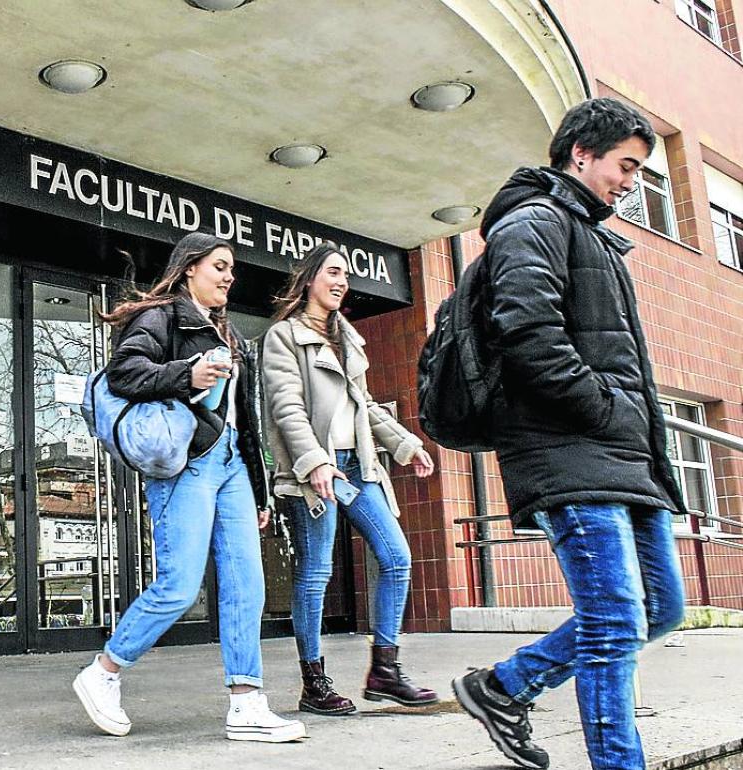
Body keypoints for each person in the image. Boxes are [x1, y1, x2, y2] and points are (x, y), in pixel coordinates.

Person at [451, 97, 686, 770]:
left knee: (661, 608)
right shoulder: (535, 222)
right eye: (626, 165)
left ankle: (505, 686)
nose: (631, 182)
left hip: (621, 455)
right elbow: (528, 336)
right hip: (568, 448)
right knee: (614, 623)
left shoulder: (592, 234)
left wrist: (629, 425)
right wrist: (609, 409)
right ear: (581, 153)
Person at [71, 231, 305, 743]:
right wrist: (188, 374)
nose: (229, 275)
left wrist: (260, 490)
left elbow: (247, 420)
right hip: (188, 463)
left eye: (231, 268)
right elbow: (124, 374)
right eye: (219, 265)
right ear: (190, 267)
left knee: (248, 584)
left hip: (232, 468)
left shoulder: (233, 336)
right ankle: (104, 671)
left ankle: (247, 703)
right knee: (179, 586)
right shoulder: (163, 317)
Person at [262, 242, 438, 717]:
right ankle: (313, 681)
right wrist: (315, 461)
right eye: (334, 272)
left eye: (347, 275)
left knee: (396, 557)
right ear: (311, 278)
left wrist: (407, 445)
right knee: (316, 572)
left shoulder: (347, 337)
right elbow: (286, 407)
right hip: (313, 468)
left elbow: (367, 407)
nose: (342, 282)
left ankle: (384, 669)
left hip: (359, 464)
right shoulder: (283, 336)